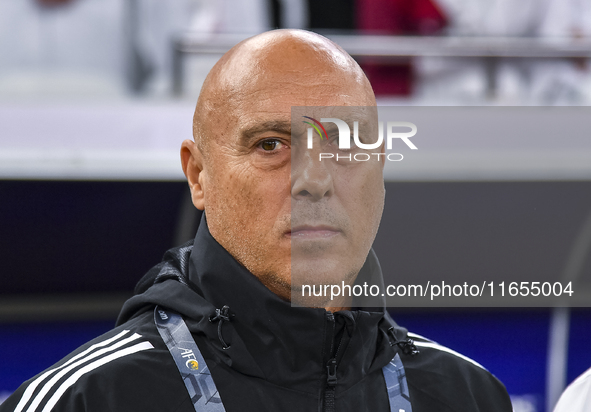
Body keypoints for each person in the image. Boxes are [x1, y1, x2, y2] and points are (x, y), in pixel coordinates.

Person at [0, 29, 513, 412]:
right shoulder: (90, 401)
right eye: (271, 145)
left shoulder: (468, 396)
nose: (314, 180)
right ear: (198, 176)